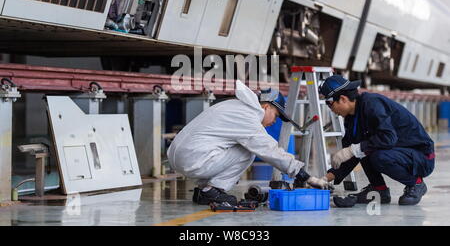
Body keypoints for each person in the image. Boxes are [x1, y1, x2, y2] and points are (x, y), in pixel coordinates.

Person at [167, 80, 332, 205]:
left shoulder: (236, 106)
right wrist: (304, 175)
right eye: (276, 115)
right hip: (193, 159)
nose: (275, 121)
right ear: (266, 106)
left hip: (182, 156)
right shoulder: (248, 117)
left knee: (241, 146)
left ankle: (203, 191)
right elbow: (269, 150)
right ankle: (211, 191)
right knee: (248, 151)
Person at [318, 75, 435, 206]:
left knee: (374, 154)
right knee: (362, 149)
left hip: (421, 157)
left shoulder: (372, 104)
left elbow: (388, 138)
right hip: (401, 152)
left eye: (330, 104)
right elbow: (351, 156)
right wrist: (324, 179)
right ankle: (379, 190)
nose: (331, 110)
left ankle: (416, 183)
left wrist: (353, 149)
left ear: (343, 99)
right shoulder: (352, 118)